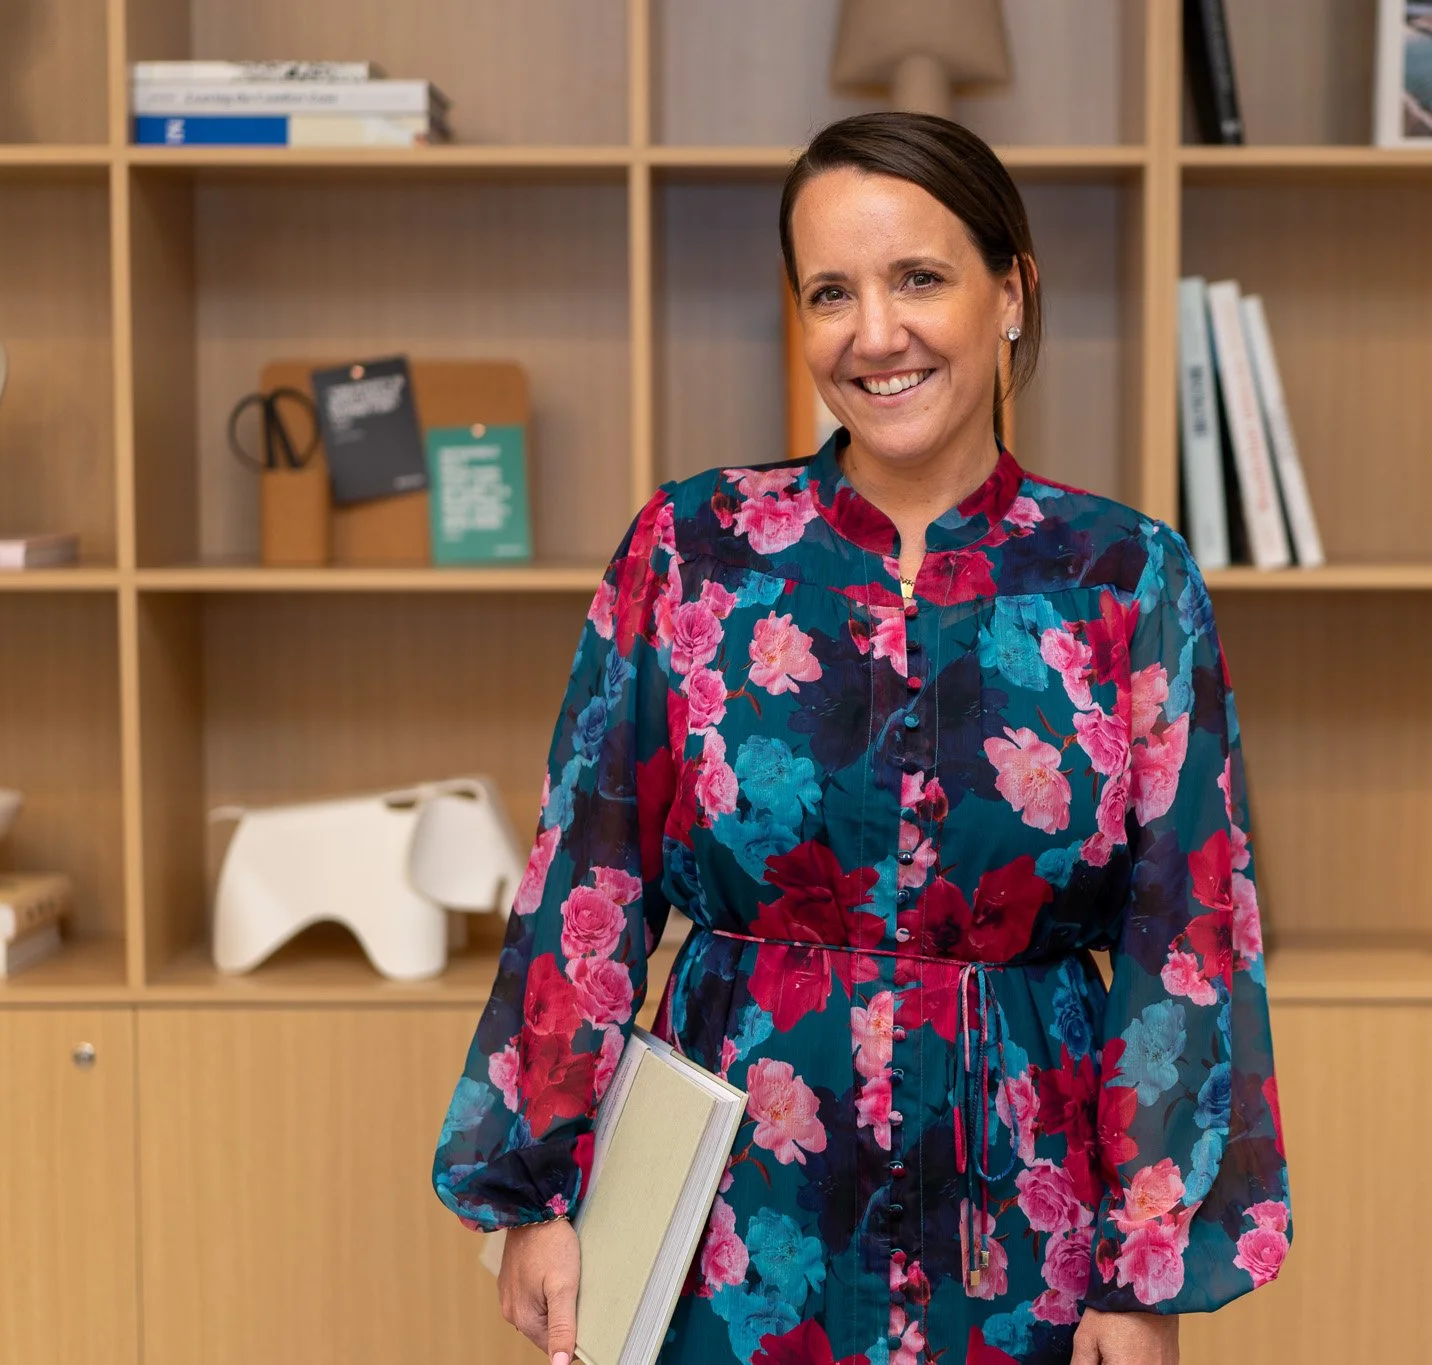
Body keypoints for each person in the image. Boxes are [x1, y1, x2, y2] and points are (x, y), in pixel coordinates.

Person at [432, 111, 1290, 1365]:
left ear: (1011, 293)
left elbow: (1186, 943)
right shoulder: (692, 552)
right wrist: (540, 1191)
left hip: (1021, 1232)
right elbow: (587, 878)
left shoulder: (1125, 577)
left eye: (919, 280)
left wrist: (1137, 1278)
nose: (873, 333)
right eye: (831, 291)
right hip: (729, 1223)